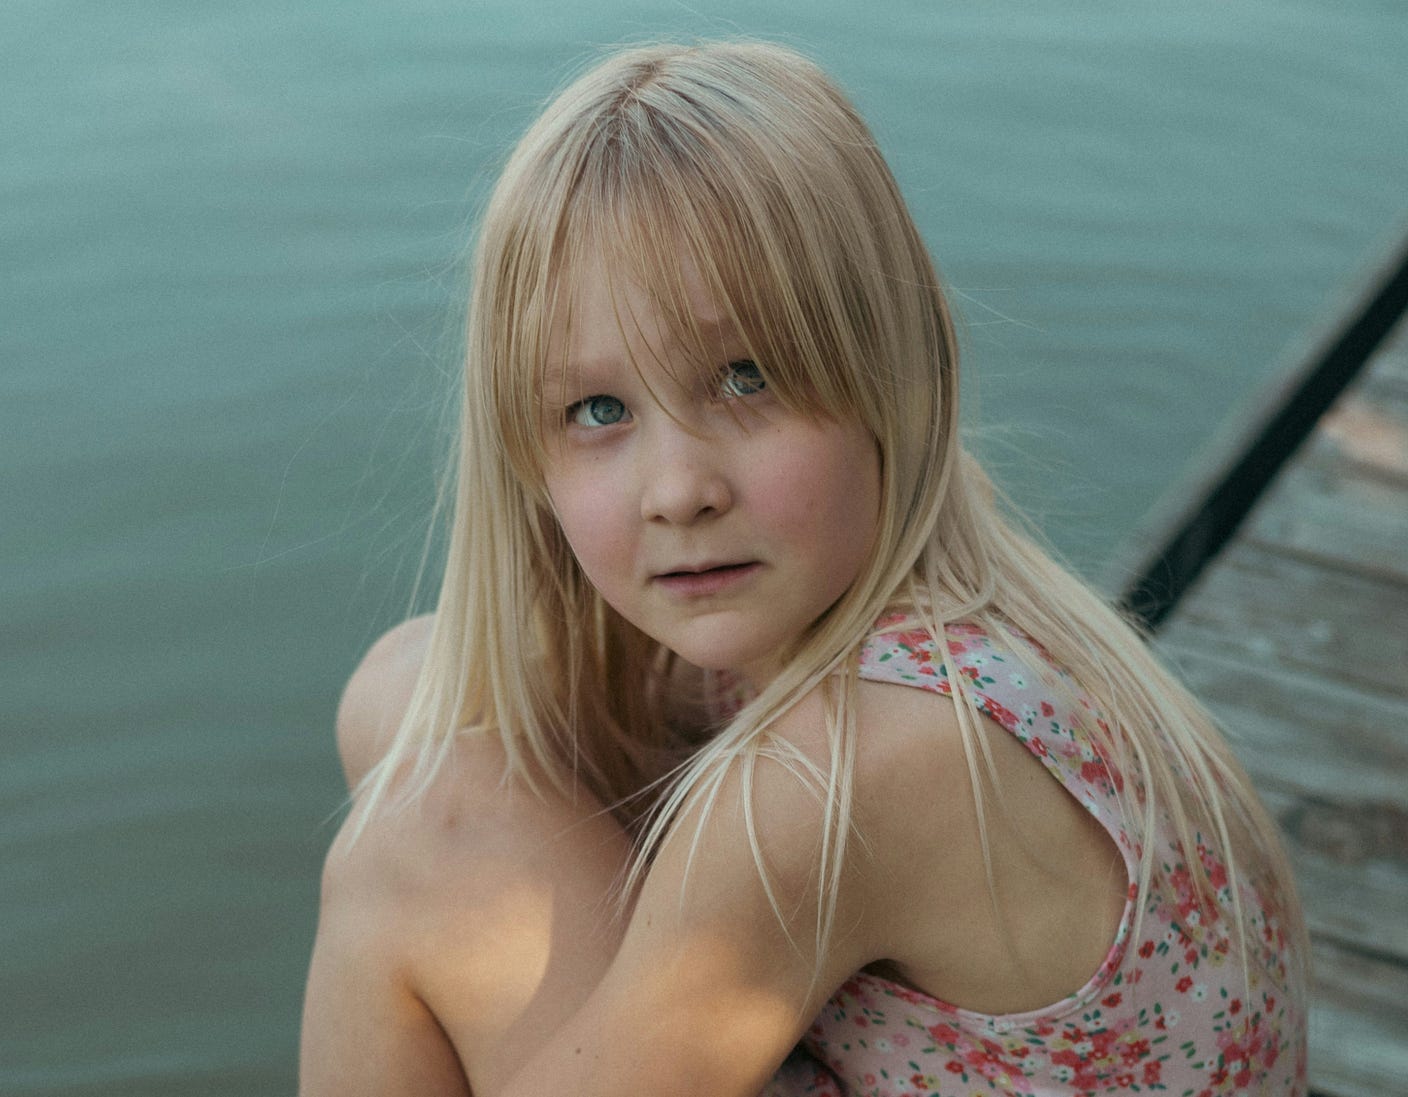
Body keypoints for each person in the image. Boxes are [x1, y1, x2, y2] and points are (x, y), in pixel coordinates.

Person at [299, 40, 1307, 1097]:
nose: (677, 487)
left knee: (416, 850)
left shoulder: (848, 771)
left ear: (894, 376)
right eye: (598, 408)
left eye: (747, 376)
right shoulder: (955, 611)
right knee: (403, 694)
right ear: (524, 454)